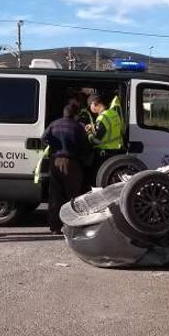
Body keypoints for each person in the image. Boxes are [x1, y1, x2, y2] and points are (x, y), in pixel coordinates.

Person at [41, 102, 91, 234]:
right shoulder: (77, 127)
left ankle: (54, 227)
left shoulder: (54, 124)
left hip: (55, 162)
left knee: (55, 195)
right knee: (72, 196)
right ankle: (71, 226)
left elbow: (44, 138)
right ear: (75, 115)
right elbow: (85, 145)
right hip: (71, 163)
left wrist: (54, 147)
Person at [84, 94, 124, 186]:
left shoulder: (102, 118)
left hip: (104, 154)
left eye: (90, 106)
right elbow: (110, 129)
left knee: (98, 180)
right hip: (117, 151)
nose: (90, 108)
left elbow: (97, 141)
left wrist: (89, 133)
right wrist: (94, 127)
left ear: (95, 104)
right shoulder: (113, 113)